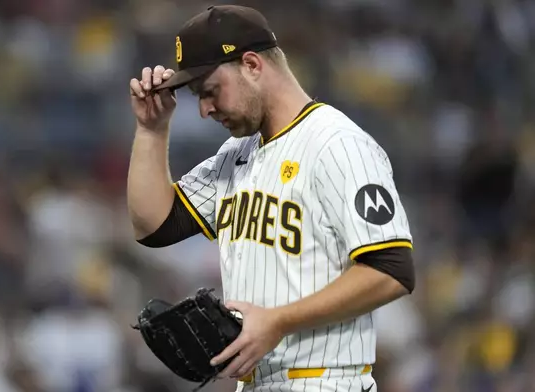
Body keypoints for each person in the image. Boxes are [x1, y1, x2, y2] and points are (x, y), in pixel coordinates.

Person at [127, 5, 415, 392]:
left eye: (210, 91)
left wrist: (279, 319)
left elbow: (392, 270)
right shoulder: (236, 156)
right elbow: (154, 225)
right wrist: (151, 129)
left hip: (326, 382)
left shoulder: (338, 145)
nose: (204, 109)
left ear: (251, 65)